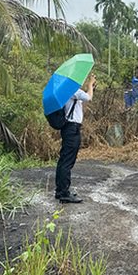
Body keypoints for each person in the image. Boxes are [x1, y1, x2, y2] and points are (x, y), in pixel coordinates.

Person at [55, 73, 96, 203]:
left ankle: (60, 191)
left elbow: (82, 99)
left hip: (68, 128)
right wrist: (90, 84)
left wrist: (90, 87)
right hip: (72, 129)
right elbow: (89, 98)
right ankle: (64, 193)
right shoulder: (71, 90)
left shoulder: (65, 91)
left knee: (64, 160)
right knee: (67, 161)